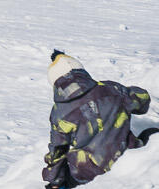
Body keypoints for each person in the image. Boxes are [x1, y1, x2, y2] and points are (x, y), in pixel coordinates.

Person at [43, 49, 151, 186]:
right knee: (151, 132)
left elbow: (57, 151)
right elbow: (143, 100)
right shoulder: (111, 89)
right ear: (82, 72)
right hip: (127, 159)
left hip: (87, 172)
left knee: (64, 167)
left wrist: (54, 182)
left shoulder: (59, 113)